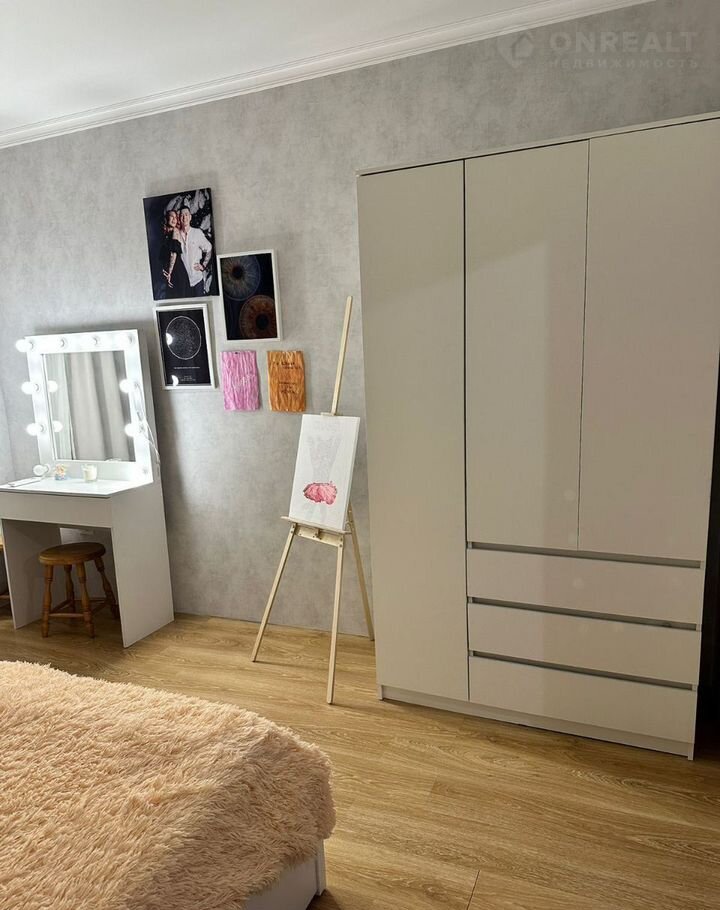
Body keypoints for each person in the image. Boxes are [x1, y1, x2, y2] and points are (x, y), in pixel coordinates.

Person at [177, 205, 213, 297]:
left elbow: (209, 248)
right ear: (179, 218)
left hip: (197, 280)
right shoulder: (176, 235)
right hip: (183, 283)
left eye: (186, 214)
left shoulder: (197, 233)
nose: (184, 217)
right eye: (181, 215)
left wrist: (203, 265)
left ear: (190, 217)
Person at [159, 209, 190, 297]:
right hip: (171, 271)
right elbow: (164, 257)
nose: (174, 219)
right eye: (171, 216)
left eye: (176, 217)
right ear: (167, 219)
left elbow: (173, 254)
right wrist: (164, 270)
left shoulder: (175, 231)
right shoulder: (166, 234)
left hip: (177, 270)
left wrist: (169, 273)